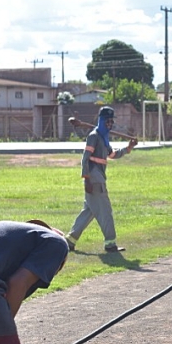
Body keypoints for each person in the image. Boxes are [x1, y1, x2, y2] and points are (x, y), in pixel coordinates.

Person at [67, 106, 137, 253]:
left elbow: (112, 155)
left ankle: (70, 241)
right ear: (102, 121)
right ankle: (110, 244)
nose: (110, 124)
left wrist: (128, 148)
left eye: (112, 122)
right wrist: (86, 179)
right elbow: (85, 159)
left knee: (89, 212)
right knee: (105, 211)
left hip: (99, 177)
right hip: (94, 179)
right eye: (108, 121)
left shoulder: (104, 138)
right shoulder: (94, 136)